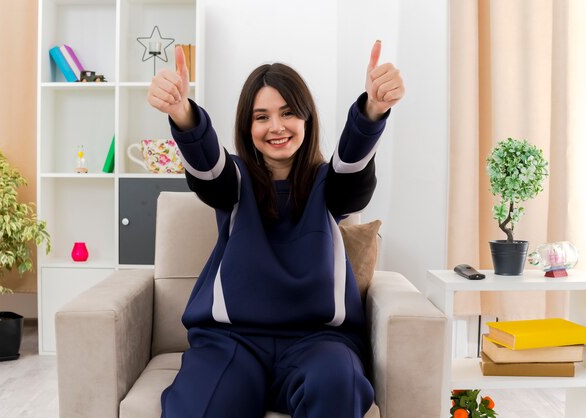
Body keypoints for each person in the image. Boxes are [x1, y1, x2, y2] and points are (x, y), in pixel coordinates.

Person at [147, 40, 404, 418]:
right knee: (200, 406)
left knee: (339, 383)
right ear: (247, 126)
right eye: (261, 116)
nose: (277, 127)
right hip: (231, 341)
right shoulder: (234, 181)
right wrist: (182, 114)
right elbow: (209, 169)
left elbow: (352, 169)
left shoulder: (327, 184)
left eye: (288, 113)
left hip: (319, 341)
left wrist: (372, 110)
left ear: (306, 119)